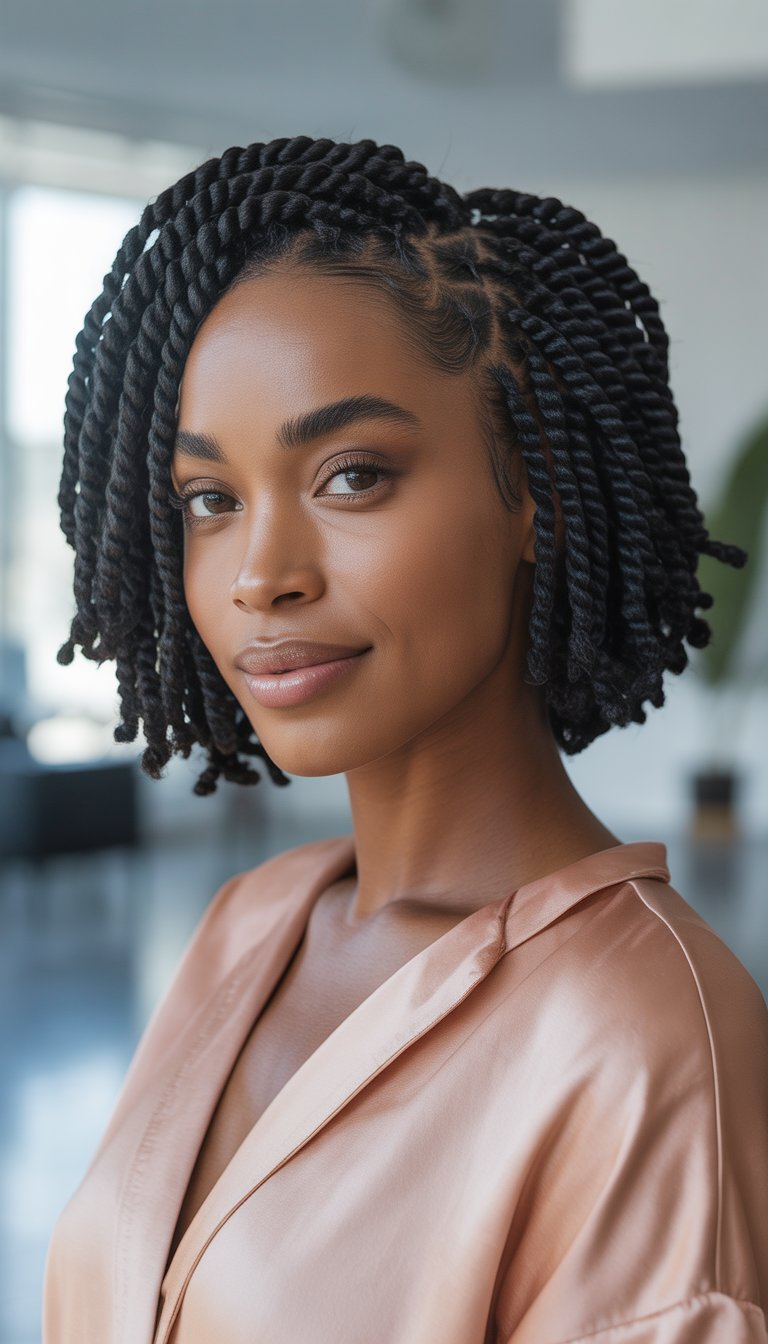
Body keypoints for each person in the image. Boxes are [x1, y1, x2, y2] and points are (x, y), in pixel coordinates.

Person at [43, 135, 768, 1343]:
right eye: (211, 501)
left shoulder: (643, 1038)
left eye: (353, 475)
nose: (260, 576)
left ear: (532, 487)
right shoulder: (251, 926)